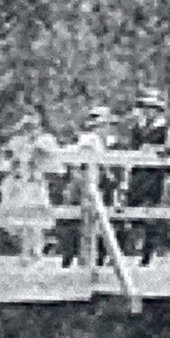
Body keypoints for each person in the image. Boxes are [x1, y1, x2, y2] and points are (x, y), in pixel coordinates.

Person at [0, 108, 60, 263]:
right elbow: (7, 158)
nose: (29, 129)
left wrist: (35, 147)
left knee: (36, 219)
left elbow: (51, 159)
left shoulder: (46, 140)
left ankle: (36, 252)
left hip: (35, 183)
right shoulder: (16, 141)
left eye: (32, 125)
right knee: (20, 220)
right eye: (26, 126)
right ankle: (25, 252)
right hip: (19, 183)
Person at [58, 105, 118, 268]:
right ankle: (72, 257)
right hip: (84, 181)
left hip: (98, 183)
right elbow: (84, 160)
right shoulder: (89, 139)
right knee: (77, 221)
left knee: (100, 220)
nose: (105, 129)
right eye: (102, 125)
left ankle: (97, 258)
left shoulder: (107, 141)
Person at [123, 89, 170, 266]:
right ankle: (130, 251)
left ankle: (147, 254)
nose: (148, 111)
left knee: (153, 215)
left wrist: (155, 151)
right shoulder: (137, 129)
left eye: (151, 107)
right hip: (138, 174)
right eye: (145, 107)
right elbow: (131, 150)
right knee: (132, 213)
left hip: (155, 175)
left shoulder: (165, 129)